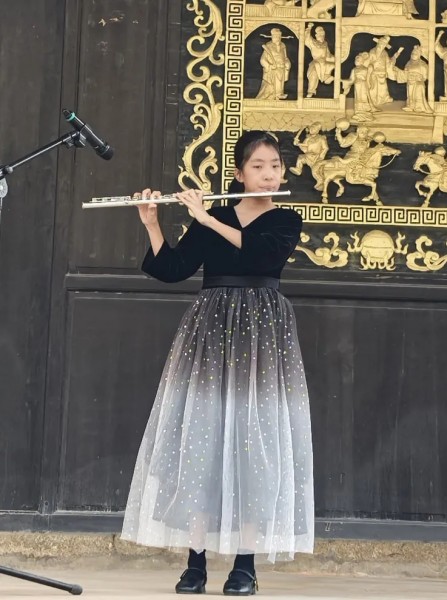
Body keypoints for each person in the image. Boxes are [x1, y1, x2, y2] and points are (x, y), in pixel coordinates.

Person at [121, 130, 314, 595]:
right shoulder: (219, 214)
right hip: (211, 330)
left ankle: (245, 566)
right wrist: (152, 223)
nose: (269, 174)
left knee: (252, 445)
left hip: (262, 332)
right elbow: (173, 270)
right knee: (202, 443)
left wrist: (204, 217)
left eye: (275, 166)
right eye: (258, 166)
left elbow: (261, 254)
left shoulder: (286, 218)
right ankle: (196, 563)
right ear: (239, 173)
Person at [256, 28, 291, 100]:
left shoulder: (283, 45)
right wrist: (270, 66)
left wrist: (287, 63)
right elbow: (262, 59)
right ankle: (277, 95)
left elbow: (285, 57)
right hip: (272, 70)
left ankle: (278, 95)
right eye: (276, 36)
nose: (278, 38)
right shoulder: (268, 46)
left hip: (281, 68)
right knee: (269, 88)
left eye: (279, 36)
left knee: (280, 79)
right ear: (272, 36)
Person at [304, 23, 334, 98]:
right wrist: (309, 28)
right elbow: (306, 39)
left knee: (332, 64)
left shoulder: (325, 44)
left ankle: (326, 76)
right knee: (313, 73)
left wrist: (334, 58)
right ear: (316, 35)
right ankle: (311, 91)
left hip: (324, 61)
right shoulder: (313, 42)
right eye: (319, 34)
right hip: (316, 61)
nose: (321, 36)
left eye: (322, 34)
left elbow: (328, 54)